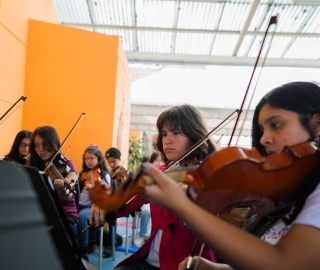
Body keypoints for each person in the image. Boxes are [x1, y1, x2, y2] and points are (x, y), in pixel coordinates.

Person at [142, 82, 320, 270]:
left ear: (317, 125)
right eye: (262, 129)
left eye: (276, 125)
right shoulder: (293, 192)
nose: (263, 139)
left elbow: (286, 264)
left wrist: (180, 204)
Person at [113, 104, 217, 270]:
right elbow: (130, 202)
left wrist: (187, 204)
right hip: (150, 261)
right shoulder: (159, 172)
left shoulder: (206, 176)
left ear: (194, 136)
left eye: (175, 133)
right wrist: (108, 203)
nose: (167, 140)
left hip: (187, 264)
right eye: (164, 134)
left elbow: (210, 231)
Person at [27, 126, 79, 238]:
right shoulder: (33, 166)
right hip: (41, 214)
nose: (41, 149)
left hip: (65, 215)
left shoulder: (67, 165)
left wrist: (61, 189)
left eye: (45, 144)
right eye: (36, 146)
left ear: (54, 143)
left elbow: (67, 195)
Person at [78, 145, 111, 260]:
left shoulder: (103, 175)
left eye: (91, 158)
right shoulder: (83, 173)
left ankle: (84, 249)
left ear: (99, 159)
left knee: (82, 217)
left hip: (93, 207)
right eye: (86, 158)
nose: (88, 161)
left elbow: (106, 194)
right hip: (80, 205)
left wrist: (93, 190)